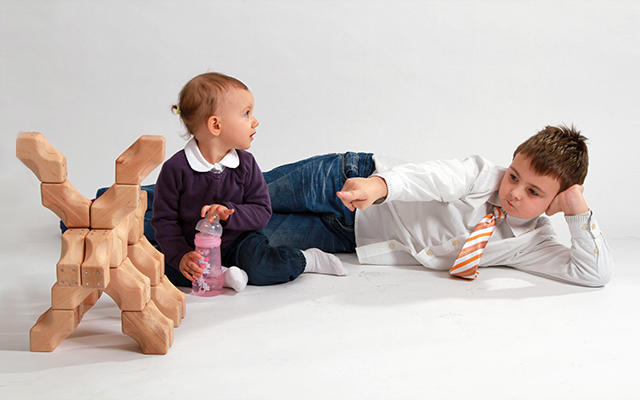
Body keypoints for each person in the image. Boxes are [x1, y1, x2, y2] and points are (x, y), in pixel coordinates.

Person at [261, 125, 613, 287]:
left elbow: (592, 273)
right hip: (351, 178)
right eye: (514, 176)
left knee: (245, 227)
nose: (515, 192)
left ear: (554, 203)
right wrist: (379, 185)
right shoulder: (480, 176)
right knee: (249, 195)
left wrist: (576, 208)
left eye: (534, 192)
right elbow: (434, 177)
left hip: (351, 234)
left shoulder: (532, 244)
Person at [151, 72, 346, 291]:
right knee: (162, 267)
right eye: (246, 114)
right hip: (195, 247)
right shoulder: (175, 169)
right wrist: (180, 255)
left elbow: (262, 211)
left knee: (262, 266)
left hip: (240, 242)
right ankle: (222, 276)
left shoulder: (246, 164)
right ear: (216, 125)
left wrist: (229, 214)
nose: (255, 121)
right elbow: (164, 220)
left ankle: (307, 260)